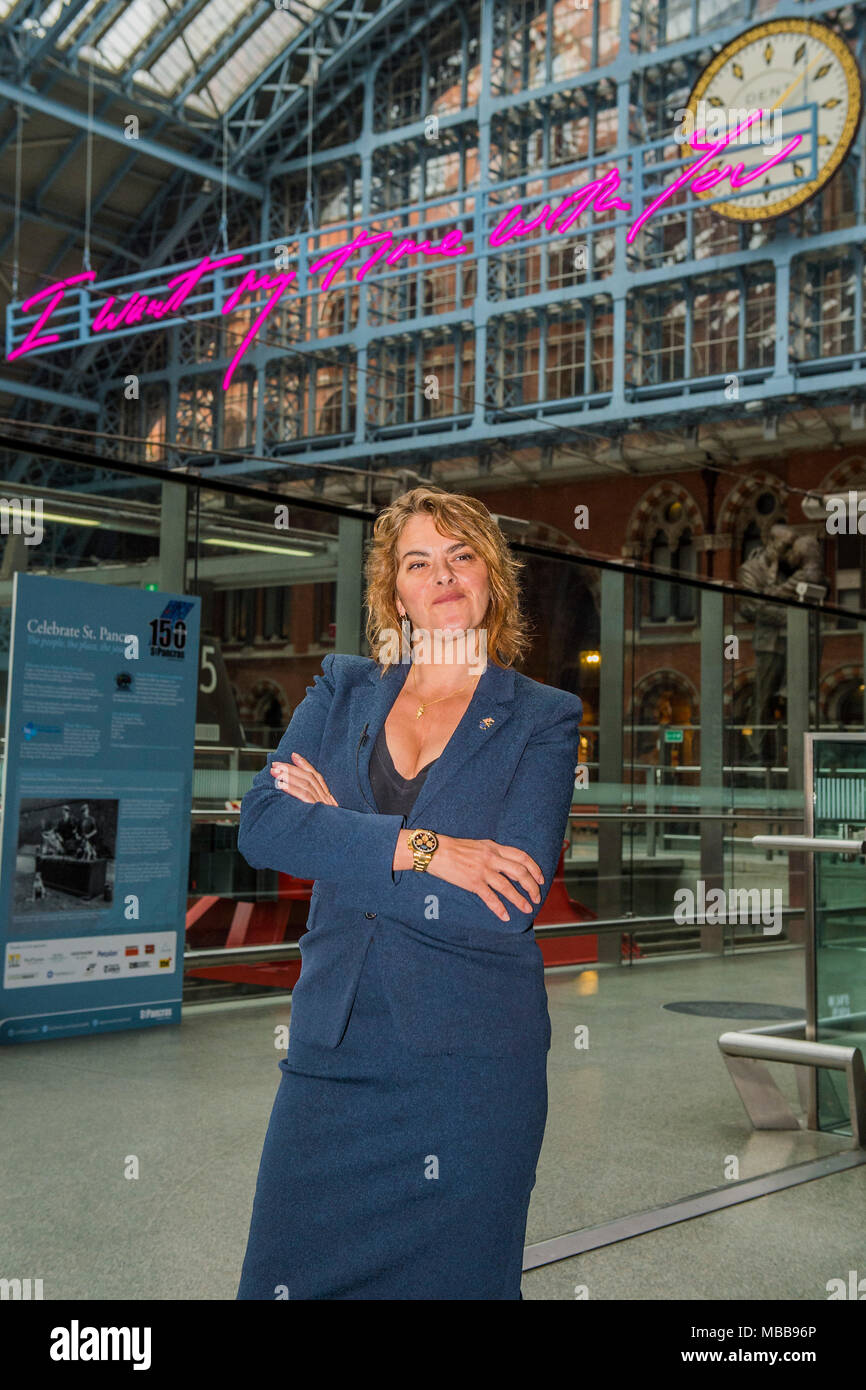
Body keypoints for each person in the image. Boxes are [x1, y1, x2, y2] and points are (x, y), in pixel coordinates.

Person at [235, 485, 583, 1300]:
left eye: (463, 556)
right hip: (332, 1047)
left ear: (491, 576)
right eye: (418, 562)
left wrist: (339, 832)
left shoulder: (542, 717)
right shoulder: (343, 688)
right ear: (395, 591)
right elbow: (262, 826)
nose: (443, 575)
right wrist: (425, 849)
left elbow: (502, 903)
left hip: (468, 1069)